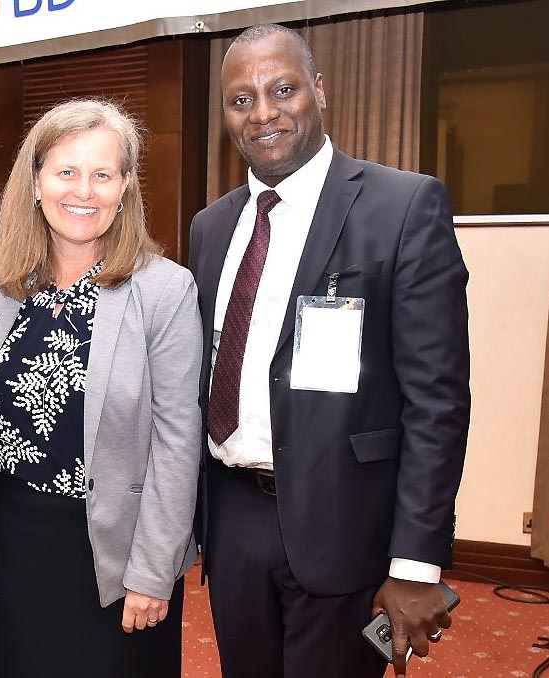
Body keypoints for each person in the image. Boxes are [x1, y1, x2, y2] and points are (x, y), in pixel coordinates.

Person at [189, 24, 470, 678]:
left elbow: (436, 402)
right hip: (231, 521)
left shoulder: (401, 207)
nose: (262, 112)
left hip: (346, 524)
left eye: (281, 89)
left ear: (317, 90)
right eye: (240, 99)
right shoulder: (211, 227)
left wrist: (415, 565)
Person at [0, 99, 202, 677]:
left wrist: (153, 571)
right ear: (35, 182)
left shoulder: (164, 290)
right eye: (66, 171)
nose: (84, 190)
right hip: (15, 547)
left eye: (103, 174)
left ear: (125, 187)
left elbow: (178, 440)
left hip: (119, 556)